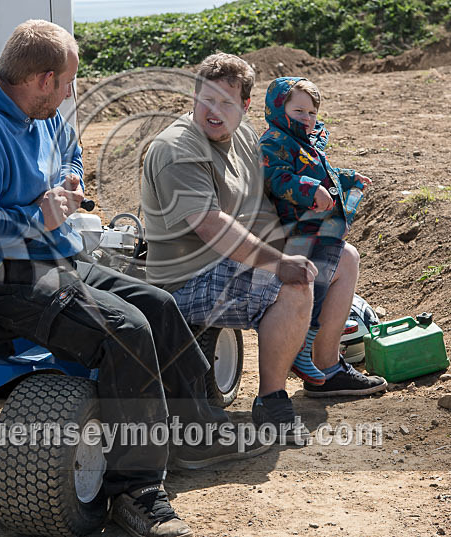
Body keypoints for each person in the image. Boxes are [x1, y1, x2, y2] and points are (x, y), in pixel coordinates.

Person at [0, 20, 266, 537]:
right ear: (44, 80)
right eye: (69, 83)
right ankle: (135, 491)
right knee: (126, 331)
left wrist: (69, 180)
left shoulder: (38, 113)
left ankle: (201, 431)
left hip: (48, 257)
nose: (71, 94)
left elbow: (68, 152)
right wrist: (38, 216)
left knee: (158, 306)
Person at [141, 54, 385, 439]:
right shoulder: (178, 149)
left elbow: (266, 194)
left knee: (344, 259)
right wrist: (280, 261)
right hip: (187, 279)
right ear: (193, 96)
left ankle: (326, 370)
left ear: (246, 105)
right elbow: (211, 226)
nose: (214, 111)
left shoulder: (242, 134)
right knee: (293, 283)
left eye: (226, 102)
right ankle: (272, 401)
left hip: (233, 258)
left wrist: (311, 220)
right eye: (206, 100)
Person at [259, 76, 387, 396]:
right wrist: (309, 189)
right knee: (320, 275)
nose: (306, 118)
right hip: (294, 233)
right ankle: (306, 349)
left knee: (342, 260)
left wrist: (347, 178)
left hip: (316, 230)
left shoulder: (306, 142)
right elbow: (276, 177)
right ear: (278, 109)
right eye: (298, 110)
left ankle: (322, 362)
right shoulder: (274, 141)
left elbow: (320, 173)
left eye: (312, 112)